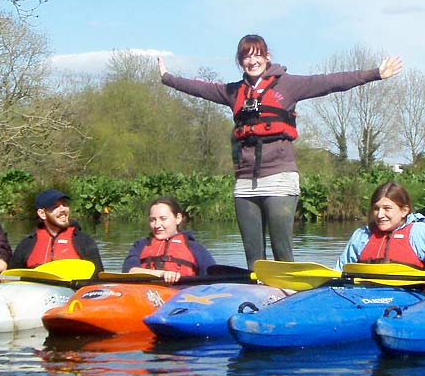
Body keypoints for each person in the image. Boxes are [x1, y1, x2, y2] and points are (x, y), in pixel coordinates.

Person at [158, 34, 403, 267]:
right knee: (253, 253)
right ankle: (256, 297)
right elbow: (199, 88)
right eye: (246, 57)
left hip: (279, 178)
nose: (252, 61)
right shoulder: (233, 92)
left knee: (281, 249)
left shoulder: (288, 85)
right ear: (240, 61)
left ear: (266, 57)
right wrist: (167, 77)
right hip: (245, 183)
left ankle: (287, 297)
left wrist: (376, 74)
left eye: (257, 55)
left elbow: (330, 82)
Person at [337, 181, 425, 274]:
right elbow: (338, 271)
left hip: (410, 300)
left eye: (387, 209)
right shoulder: (362, 235)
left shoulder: (420, 233)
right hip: (363, 298)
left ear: (404, 210)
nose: (380, 215)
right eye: (376, 209)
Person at [122, 196, 217, 284]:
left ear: (178, 219)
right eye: (152, 220)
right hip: (146, 294)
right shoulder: (140, 245)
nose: (157, 225)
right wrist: (161, 274)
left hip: (182, 295)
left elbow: (213, 279)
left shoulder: (195, 248)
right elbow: (129, 270)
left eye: (163, 219)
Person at [10, 189, 104, 273]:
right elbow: (11, 277)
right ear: (42, 213)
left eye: (64, 204)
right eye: (55, 206)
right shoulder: (26, 245)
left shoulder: (84, 241)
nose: (63, 209)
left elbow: (98, 278)